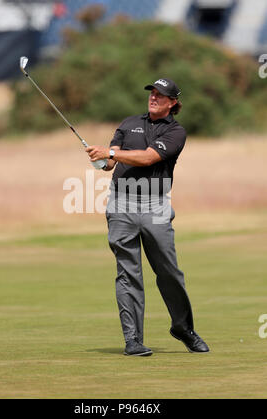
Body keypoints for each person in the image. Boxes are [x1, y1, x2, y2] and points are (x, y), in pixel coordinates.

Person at [86, 78, 209, 356]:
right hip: (121, 204)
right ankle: (133, 340)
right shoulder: (128, 123)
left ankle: (182, 328)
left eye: (160, 95)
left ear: (173, 102)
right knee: (128, 273)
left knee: (169, 273)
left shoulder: (176, 132)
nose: (154, 98)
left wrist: (112, 152)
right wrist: (100, 158)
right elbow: (110, 163)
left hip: (155, 205)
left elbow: (148, 158)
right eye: (152, 93)